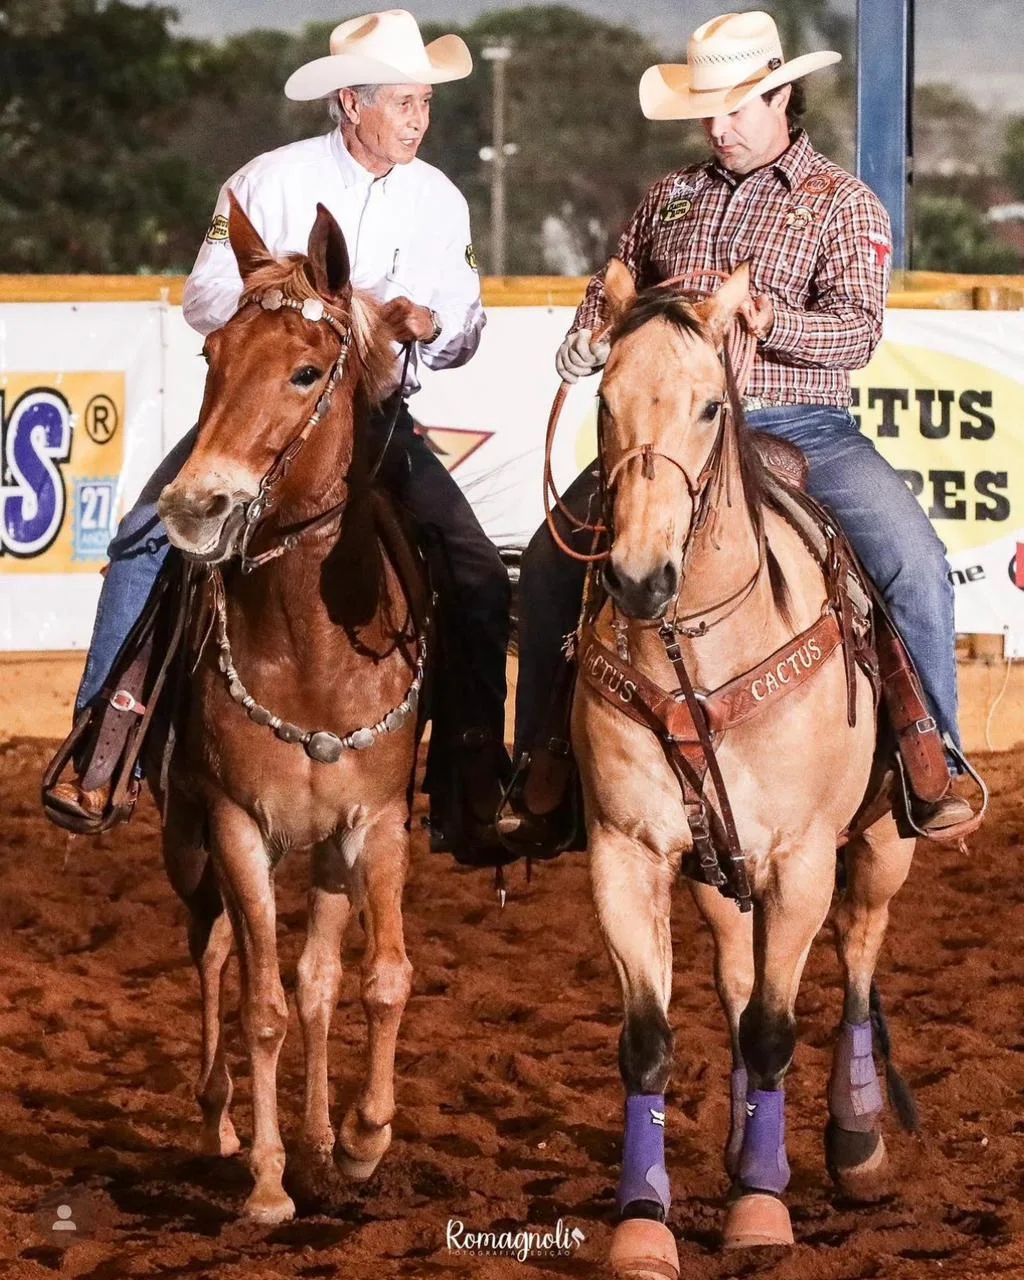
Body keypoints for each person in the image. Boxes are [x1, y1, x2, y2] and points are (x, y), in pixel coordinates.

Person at [48, 10, 510, 853]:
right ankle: (102, 743)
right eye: (404, 102)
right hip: (260, 414)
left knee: (478, 575)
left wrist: (428, 324)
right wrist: (286, 293)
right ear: (350, 105)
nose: (420, 119)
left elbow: (466, 329)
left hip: (375, 423)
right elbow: (200, 299)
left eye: (424, 104)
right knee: (148, 540)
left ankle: (471, 781)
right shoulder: (265, 181)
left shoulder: (439, 198)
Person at [507, 9, 973, 844]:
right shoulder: (668, 199)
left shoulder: (843, 204)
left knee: (914, 563)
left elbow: (858, 330)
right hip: (671, 436)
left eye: (737, 108)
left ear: (783, 95)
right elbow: (607, 293)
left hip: (805, 428)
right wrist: (586, 341)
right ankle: (544, 759)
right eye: (708, 112)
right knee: (548, 559)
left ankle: (929, 750)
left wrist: (770, 316)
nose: (719, 128)